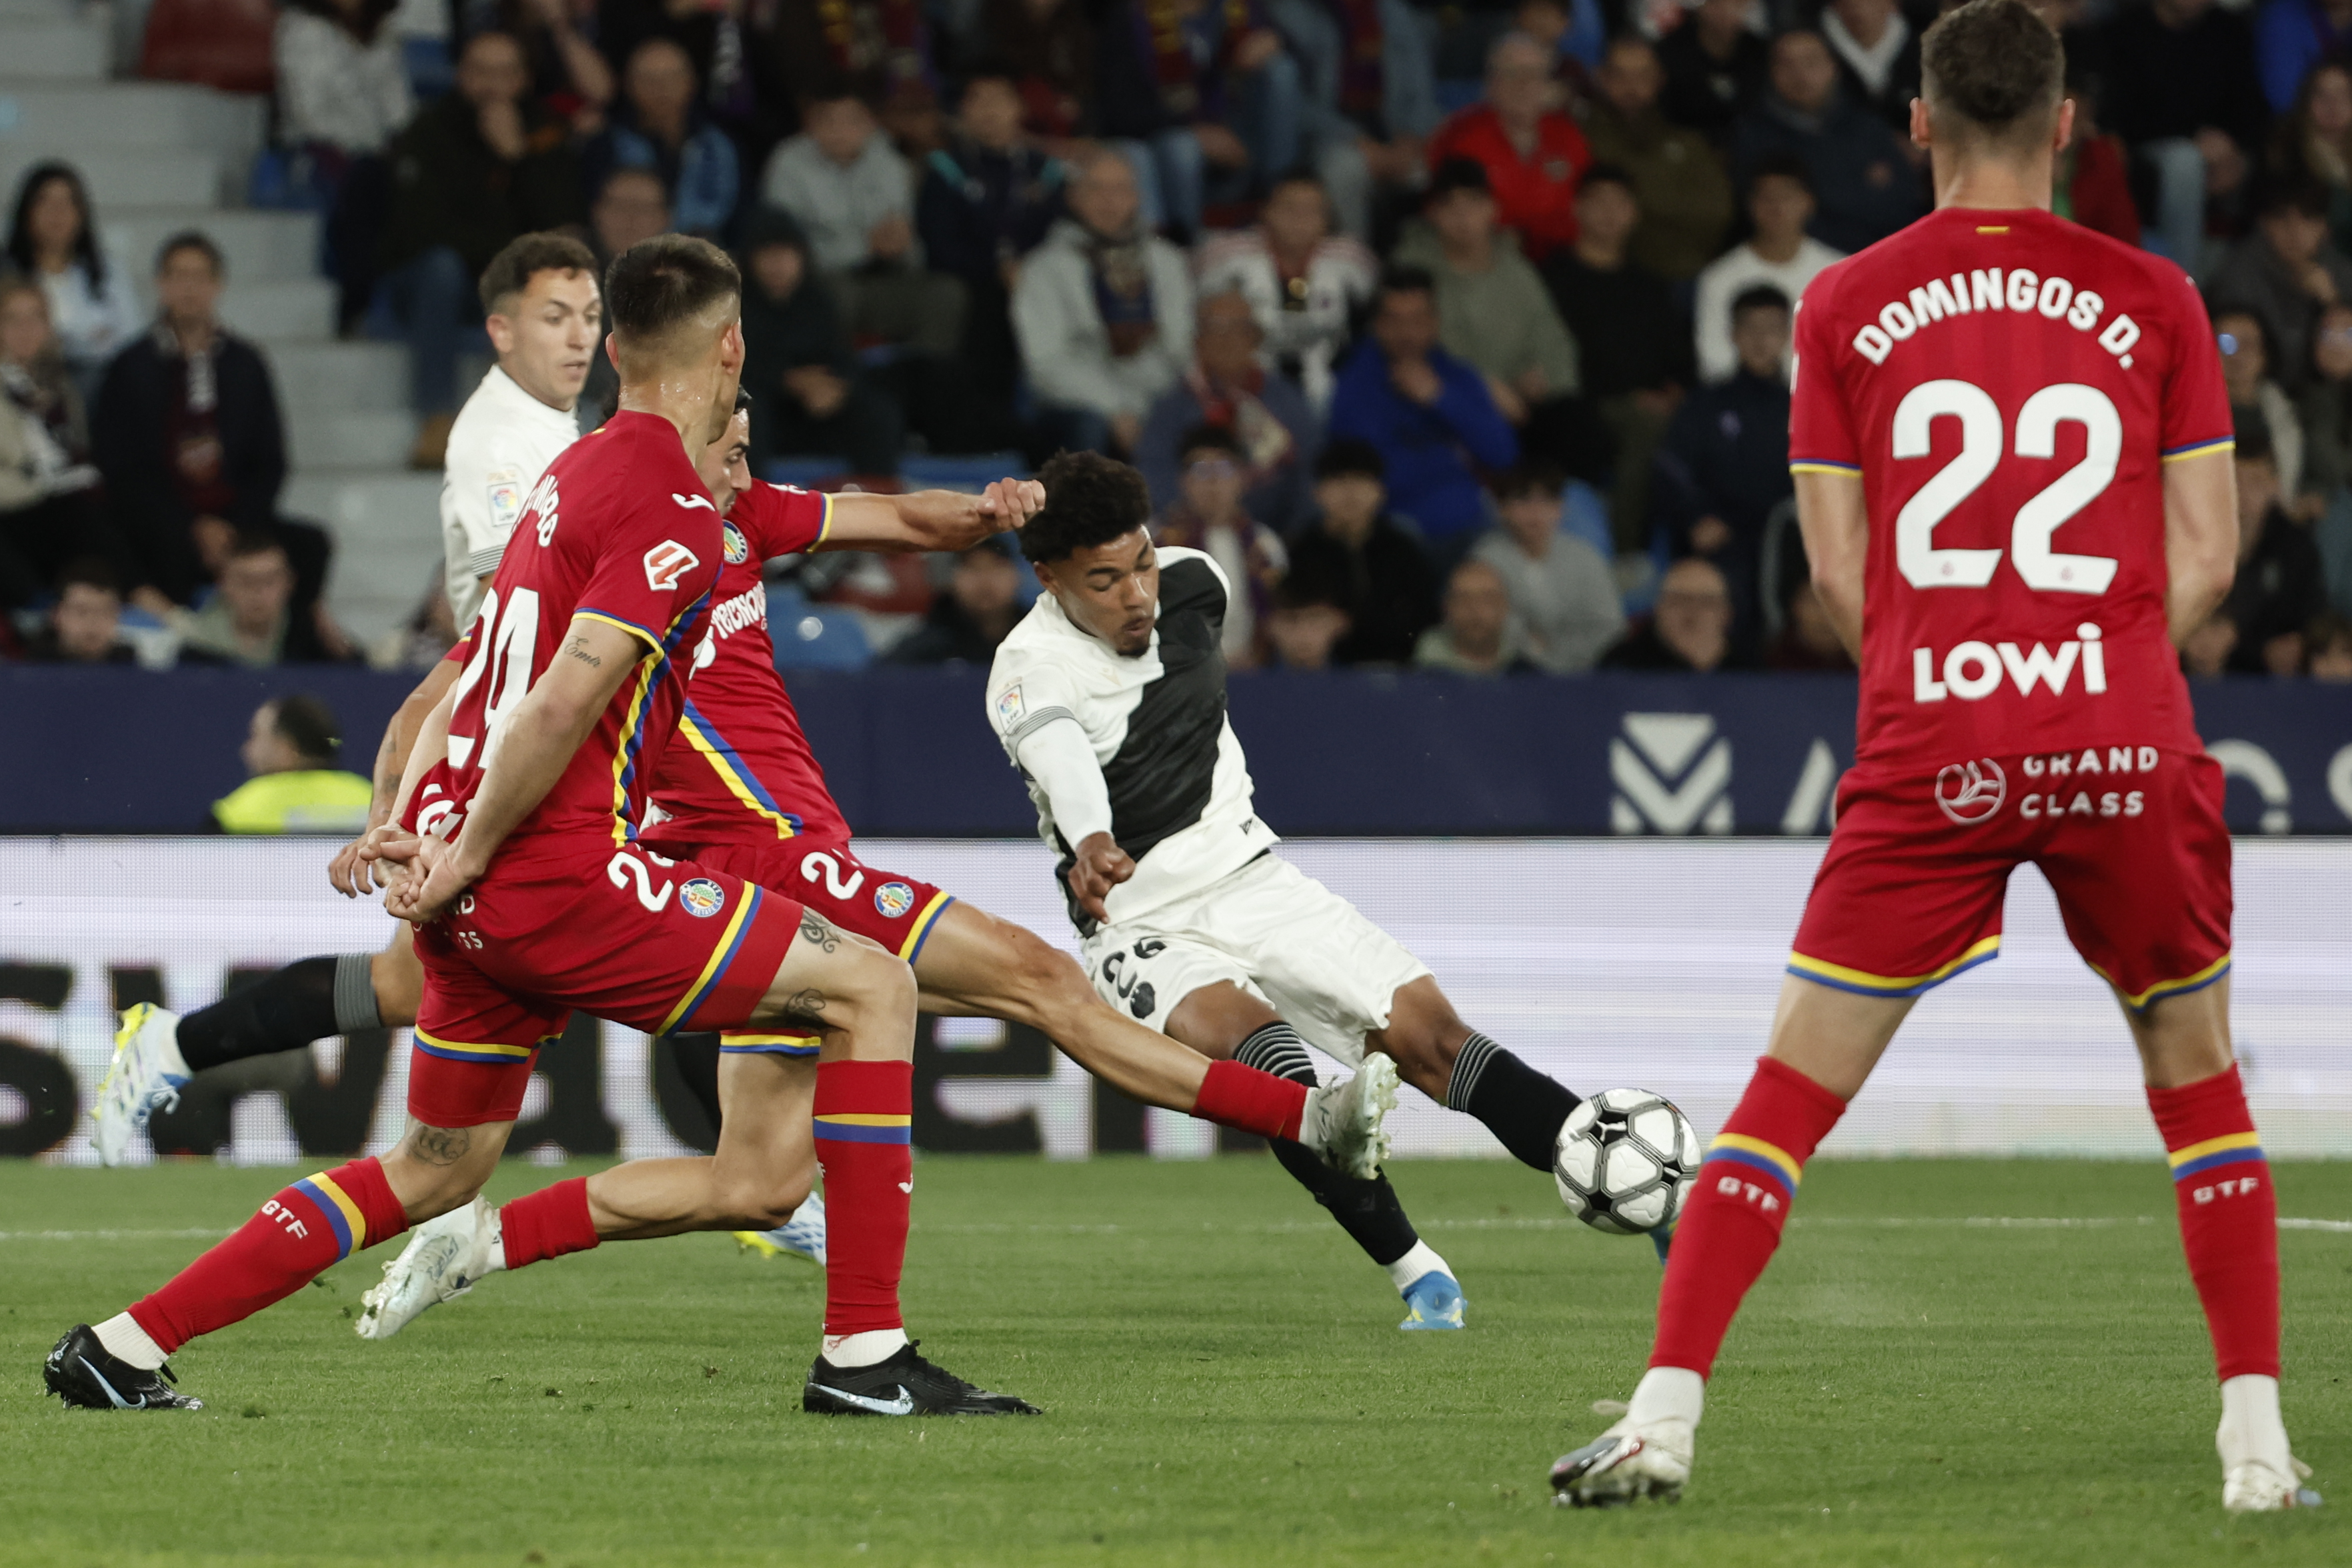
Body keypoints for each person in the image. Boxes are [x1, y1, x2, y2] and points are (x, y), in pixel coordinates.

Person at [41, 235, 1034, 1420]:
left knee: (432, 1169)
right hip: (557, 876)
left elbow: (469, 678)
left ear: (614, 348)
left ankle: (122, 1343)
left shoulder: (573, 474)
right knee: (873, 984)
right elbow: (563, 694)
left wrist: (422, 825)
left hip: (475, 890)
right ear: (731, 349)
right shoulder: (665, 496)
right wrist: (462, 847)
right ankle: (865, 1356)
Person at [1553, 0, 2313, 1515]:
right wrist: (2090, 657)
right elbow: (2210, 559)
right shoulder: (2155, 294)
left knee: (1781, 1096)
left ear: (1912, 124)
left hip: (1933, 737)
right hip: (2116, 731)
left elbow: (1832, 577)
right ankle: (2250, 1448)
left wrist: (1943, 670)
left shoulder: (1839, 303)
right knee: (2194, 1081)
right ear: (2063, 124)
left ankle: (1658, 1421)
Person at [349, 404, 1390, 1336]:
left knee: (754, 1185)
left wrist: (986, 513)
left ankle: (480, 1243)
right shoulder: (620, 559)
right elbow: (445, 705)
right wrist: (410, 824)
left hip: (772, 866)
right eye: (730, 439)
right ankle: (1306, 1120)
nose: (743, 461)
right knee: (1042, 981)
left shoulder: (742, 520)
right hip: (756, 855)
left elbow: (893, 519)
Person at [986, 451, 1603, 1325]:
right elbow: (1063, 765)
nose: (1134, 594)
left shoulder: (1198, 585)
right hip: (1138, 921)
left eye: (1141, 566)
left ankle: (1625, 1175)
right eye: (1103, 580)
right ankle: (1419, 1274)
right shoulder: (1025, 670)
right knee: (1267, 1059)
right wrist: (1090, 841)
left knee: (1435, 1044)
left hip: (1255, 877)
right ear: (1049, 578)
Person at [93, 233, 335, 643]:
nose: (189, 288)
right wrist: (191, 526)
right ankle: (185, 641)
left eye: (200, 276)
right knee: (119, 542)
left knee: (311, 546)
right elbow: (120, 468)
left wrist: (232, 528)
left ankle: (288, 647)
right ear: (161, 285)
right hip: (163, 524)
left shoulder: (245, 363)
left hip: (237, 522)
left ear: (217, 285)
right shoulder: (129, 367)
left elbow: (270, 460)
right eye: (179, 276)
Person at [377, 29, 587, 467]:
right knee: (442, 268)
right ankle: (436, 418)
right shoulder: (429, 130)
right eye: (480, 71)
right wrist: (500, 253)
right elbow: (419, 229)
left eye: (504, 72)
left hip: (507, 281)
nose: (492, 84)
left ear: (523, 79)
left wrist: (516, 158)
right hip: (434, 283)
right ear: (460, 75)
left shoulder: (546, 132)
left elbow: (560, 222)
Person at [1392, 159, 1593, 482]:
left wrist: (1545, 379)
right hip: (1449, 402)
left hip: (1523, 401)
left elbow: (1551, 336)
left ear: (1493, 210)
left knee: (1577, 423)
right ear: (1433, 215)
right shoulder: (1411, 269)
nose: (1463, 219)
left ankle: (1564, 523)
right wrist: (1485, 390)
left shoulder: (1515, 268)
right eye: (1449, 207)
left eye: (1473, 204)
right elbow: (1418, 345)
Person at [1324, 267, 1516, 567]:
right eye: (1394, 321)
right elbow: (1367, 473)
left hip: (1469, 518)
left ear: (1434, 322)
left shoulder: (1455, 375)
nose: (1407, 334)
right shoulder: (1353, 385)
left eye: (1418, 320)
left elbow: (1503, 454)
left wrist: (1440, 398)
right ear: (1377, 325)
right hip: (1396, 522)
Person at [1543, 165, 1690, 551]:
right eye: (1598, 203)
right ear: (1576, 209)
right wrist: (1633, 397)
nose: (1609, 214)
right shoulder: (1552, 279)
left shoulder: (1650, 285)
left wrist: (1675, 391)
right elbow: (1552, 357)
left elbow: (1678, 356)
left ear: (1635, 213)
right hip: (1580, 401)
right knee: (1645, 427)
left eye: (1620, 204)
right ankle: (1622, 550)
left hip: (1651, 401)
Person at [1012, 149, 1193, 455]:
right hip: (1076, 406)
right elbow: (1046, 363)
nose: (1110, 201)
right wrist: (1115, 410)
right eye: (1097, 189)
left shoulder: (1167, 262)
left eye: (1121, 189)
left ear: (1137, 197)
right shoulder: (1044, 267)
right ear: (1074, 197)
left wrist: (1139, 408)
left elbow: (1179, 348)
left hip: (1152, 397)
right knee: (1088, 428)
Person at [762, 92, 963, 363]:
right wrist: (865, 248)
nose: (840, 132)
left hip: (883, 280)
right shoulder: (789, 164)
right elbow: (784, 252)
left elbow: (910, 246)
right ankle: (839, 390)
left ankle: (920, 384)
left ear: (870, 124)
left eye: (850, 121)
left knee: (946, 294)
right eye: (828, 122)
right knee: (839, 297)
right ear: (810, 125)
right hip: (818, 283)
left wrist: (903, 246)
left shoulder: (891, 163)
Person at [1653, 283, 1795, 649]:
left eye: (1773, 329)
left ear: (1787, 335)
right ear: (1733, 335)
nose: (1761, 340)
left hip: (1787, 541)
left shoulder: (1806, 408)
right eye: (1751, 329)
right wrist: (1696, 517)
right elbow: (1672, 469)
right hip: (1721, 542)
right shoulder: (1705, 405)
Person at [915, 69, 1066, 405]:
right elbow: (938, 244)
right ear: (962, 112)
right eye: (977, 101)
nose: (989, 111)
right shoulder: (945, 169)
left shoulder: (1045, 171)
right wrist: (995, 270)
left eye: (999, 100)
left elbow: (1059, 237)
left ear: (1019, 109)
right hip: (973, 283)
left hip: (1036, 280)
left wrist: (1029, 271)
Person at [1092, 0, 1302, 239]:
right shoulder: (1133, 15)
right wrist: (1194, 131)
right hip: (1170, 142)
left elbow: (1301, 65)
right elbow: (1121, 112)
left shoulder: (1238, 7)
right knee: (1182, 148)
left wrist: (1277, 40)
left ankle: (1281, 194)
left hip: (1243, 142)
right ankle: (1186, 245)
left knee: (1281, 70)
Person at [273, 0, 412, 329]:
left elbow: (400, 110)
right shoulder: (301, 30)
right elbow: (308, 113)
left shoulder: (384, 36)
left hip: (378, 154)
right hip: (320, 151)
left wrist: (395, 145)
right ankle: (355, 298)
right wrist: (364, 148)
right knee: (367, 181)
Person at [1136, 289, 1320, 534]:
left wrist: (1295, 533)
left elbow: (1311, 467)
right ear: (1197, 341)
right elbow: (1154, 472)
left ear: (1256, 338)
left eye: (1239, 328)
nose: (1227, 339)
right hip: (1194, 532)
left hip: (1279, 534)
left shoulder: (1287, 400)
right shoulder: (1172, 406)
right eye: (1215, 328)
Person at [2097, 0, 2265, 269]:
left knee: (2270, 157)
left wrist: (2235, 148)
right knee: (2184, 162)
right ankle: (2180, 284)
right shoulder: (2123, 31)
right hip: (2146, 157)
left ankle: (2249, 284)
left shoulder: (2230, 29)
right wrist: (2196, 141)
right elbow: (2124, 119)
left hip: (2218, 156)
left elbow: (2251, 107)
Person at [738, 206, 904, 476]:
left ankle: (878, 496)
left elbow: (843, 356)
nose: (778, 264)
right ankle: (751, 504)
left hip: (816, 409)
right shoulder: (736, 305)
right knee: (747, 413)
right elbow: (737, 366)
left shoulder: (817, 302)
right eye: (768, 254)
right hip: (769, 413)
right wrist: (789, 381)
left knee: (878, 412)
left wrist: (835, 385)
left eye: (787, 254)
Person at [1728, 29, 1925, 256]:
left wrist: (1829, 200)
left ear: (1833, 67)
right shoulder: (1753, 136)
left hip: (1881, 260)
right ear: (1771, 72)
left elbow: (1903, 205)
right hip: (1802, 267)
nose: (1800, 74)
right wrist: (1861, 192)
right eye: (1787, 64)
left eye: (1810, 62)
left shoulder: (1868, 127)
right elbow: (1767, 217)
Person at [1193, 171, 1377, 410]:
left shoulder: (1351, 260)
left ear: (1328, 218)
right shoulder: (1227, 254)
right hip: (1241, 385)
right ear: (1265, 212)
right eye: (1290, 209)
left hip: (1326, 386)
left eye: (1312, 210)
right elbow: (1193, 316)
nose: (1301, 220)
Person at [0, 277, 127, 613]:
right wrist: (42, 486)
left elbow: (76, 450)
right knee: (80, 517)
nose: (25, 329)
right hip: (14, 509)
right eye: (13, 319)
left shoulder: (61, 387)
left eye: (35, 318)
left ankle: (111, 609)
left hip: (57, 507)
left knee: (114, 506)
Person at [1272, 0, 1444, 242]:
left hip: (1397, 133)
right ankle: (1355, 264)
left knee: (1447, 162)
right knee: (1346, 169)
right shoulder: (1287, 11)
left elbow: (1420, 83)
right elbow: (1294, 103)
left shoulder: (1393, 10)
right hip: (1327, 135)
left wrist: (1412, 137)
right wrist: (1356, 140)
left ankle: (1420, 266)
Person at [1578, 33, 1734, 283]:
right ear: (1601, 78)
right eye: (1619, 75)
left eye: (1642, 76)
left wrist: (1636, 200)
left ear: (1659, 80)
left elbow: (1715, 212)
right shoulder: (1581, 139)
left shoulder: (1688, 143)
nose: (1631, 86)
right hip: (1599, 274)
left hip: (1679, 272)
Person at [1424, 31, 1592, 262]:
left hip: (1564, 263)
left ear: (1547, 84)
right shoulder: (1461, 137)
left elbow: (1589, 206)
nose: (1523, 85)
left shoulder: (1569, 136)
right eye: (1512, 74)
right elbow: (1442, 211)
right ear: (1491, 84)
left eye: (1533, 75)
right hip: (1485, 262)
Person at [1280, 438, 1440, 663]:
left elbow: (1424, 617)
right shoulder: (1302, 552)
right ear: (1316, 492)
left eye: (1361, 480)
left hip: (1399, 669)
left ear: (1381, 491)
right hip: (1323, 670)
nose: (1351, 492)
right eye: (1338, 480)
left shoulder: (1402, 549)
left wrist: (1355, 624)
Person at [1691, 155, 1841, 385]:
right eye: (1766, 198)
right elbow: (1715, 364)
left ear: (1808, 203)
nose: (1776, 207)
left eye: (1786, 197)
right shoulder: (1719, 279)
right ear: (1750, 205)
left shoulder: (1839, 272)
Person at [3, 163, 140, 408]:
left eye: (67, 203)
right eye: (45, 203)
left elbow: (129, 340)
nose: (57, 214)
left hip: (100, 388)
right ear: (27, 211)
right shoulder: (7, 274)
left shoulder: (107, 271)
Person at [1150, 423, 1288, 664]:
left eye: (1224, 469)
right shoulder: (1157, 545)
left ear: (1242, 478)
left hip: (1256, 673)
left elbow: (1283, 613)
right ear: (1183, 481)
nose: (1213, 481)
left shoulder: (1265, 545)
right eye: (1200, 470)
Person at [582, 39, 741, 240]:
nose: (661, 88)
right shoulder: (605, 145)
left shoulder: (721, 146)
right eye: (649, 79)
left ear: (692, 82)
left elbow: (740, 218)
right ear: (628, 85)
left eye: (672, 77)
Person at [2207, 180, 2352, 399]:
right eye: (2282, 219)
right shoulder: (2239, 272)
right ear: (2264, 223)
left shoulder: (2338, 269)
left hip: (2331, 395)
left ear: (2324, 227)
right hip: (2256, 395)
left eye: (2307, 219)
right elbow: (2253, 358)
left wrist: (2333, 303)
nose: (2295, 231)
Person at [1472, 464, 1622, 672]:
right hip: (1508, 674)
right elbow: (1486, 624)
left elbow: (1608, 627)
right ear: (1502, 508)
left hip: (1584, 674)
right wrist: (1533, 651)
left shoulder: (1586, 558)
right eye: (1523, 500)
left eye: (1547, 501)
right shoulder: (1485, 559)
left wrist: (1555, 657)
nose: (1535, 512)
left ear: (1561, 508)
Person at [2222, 432, 2329, 673]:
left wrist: (2298, 643)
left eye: (2256, 482)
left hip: (2276, 681)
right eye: (2236, 481)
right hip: (2205, 677)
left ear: (2275, 486)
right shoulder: (2198, 540)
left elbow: (2314, 614)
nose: (2244, 494)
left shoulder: (2296, 545)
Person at [212, 696, 374, 835]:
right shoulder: (375, 800)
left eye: (255, 736)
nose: (246, 749)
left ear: (286, 748)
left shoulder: (237, 811)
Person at [888, 537, 1026, 663]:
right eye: (972, 568)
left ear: (1016, 575)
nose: (985, 581)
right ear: (952, 578)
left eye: (996, 567)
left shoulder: (1038, 636)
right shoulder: (922, 650)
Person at [2215, 311, 2305, 499]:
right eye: (2226, 343)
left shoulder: (2282, 415)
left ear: (2264, 355)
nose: (2236, 355)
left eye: (2247, 345)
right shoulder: (2187, 411)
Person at [1598, 554, 1739, 672]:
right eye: (1678, 601)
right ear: (1658, 609)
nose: (1691, 613)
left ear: (1726, 613)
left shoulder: (1751, 667)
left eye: (1705, 602)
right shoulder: (1623, 665)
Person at [1656, 0, 1770, 145]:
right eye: (1716, 4)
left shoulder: (1760, 53)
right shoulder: (1670, 51)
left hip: (1749, 144)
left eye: (1736, 4)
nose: (1726, 12)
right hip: (1684, 145)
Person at [1412, 556, 1533, 674]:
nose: (1475, 610)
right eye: (1463, 599)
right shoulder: (1425, 670)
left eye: (1487, 599)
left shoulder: (1526, 669)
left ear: (1504, 607)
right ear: (1447, 607)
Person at [1823, 0, 1922, 131]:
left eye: (1870, 3)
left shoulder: (1922, 50)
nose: (1858, 11)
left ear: (1892, 5)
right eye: (1849, 5)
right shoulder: (1822, 50)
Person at [20, 558, 133, 664]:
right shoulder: (29, 669)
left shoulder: (131, 667)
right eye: (82, 611)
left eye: (105, 612)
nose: (93, 622)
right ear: (56, 615)